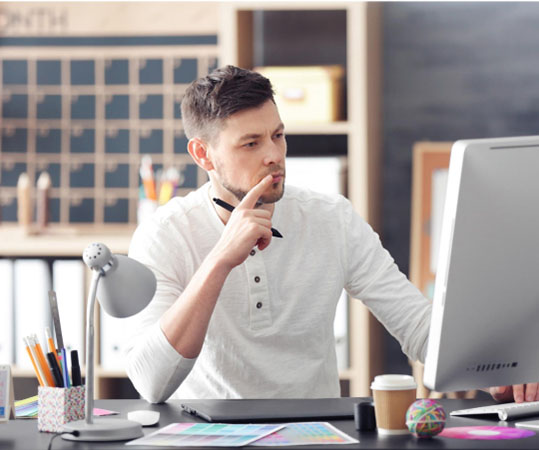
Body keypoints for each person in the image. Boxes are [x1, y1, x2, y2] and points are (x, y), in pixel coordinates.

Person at [125, 65, 538, 404]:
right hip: (206, 437)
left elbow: (417, 326)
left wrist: (503, 370)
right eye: (249, 143)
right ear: (203, 154)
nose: (273, 155)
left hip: (315, 434)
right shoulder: (164, 234)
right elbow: (151, 383)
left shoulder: (330, 218)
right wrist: (219, 261)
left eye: (278, 135)